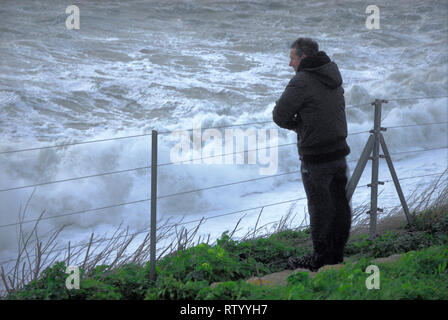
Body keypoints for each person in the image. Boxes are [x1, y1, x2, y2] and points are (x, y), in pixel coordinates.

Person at [272, 38, 352, 272]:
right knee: (339, 204)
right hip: (338, 150)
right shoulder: (332, 73)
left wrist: (299, 127)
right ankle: (336, 256)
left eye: (292, 58)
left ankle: (320, 261)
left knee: (319, 207)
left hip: (316, 155)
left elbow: (280, 115)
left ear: (303, 58)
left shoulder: (302, 81)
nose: (290, 64)